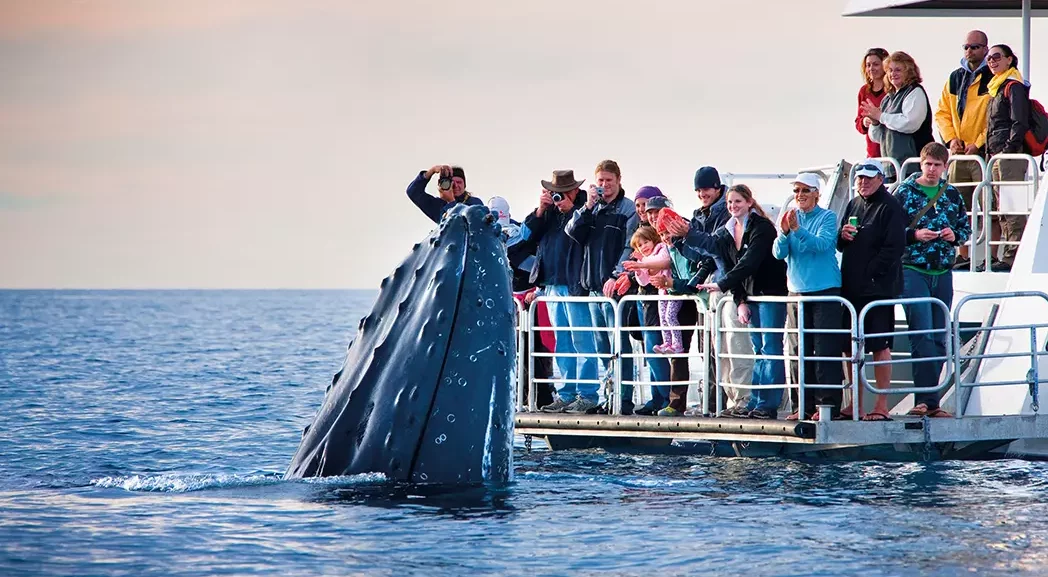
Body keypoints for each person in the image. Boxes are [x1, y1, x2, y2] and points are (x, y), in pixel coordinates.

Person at [685, 185, 788, 419]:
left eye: (738, 202)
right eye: (730, 202)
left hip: (769, 294)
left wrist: (721, 285)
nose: (733, 206)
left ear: (750, 202)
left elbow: (749, 263)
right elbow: (729, 263)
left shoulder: (762, 228)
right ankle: (756, 400)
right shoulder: (728, 231)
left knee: (771, 348)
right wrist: (740, 299)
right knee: (759, 350)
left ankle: (768, 403)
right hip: (751, 295)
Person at [662, 166, 750, 413]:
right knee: (717, 349)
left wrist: (687, 236)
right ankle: (727, 402)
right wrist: (679, 241)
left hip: (730, 286)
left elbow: (716, 249)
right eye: (698, 189)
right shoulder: (698, 215)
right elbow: (701, 254)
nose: (702, 193)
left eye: (706, 188)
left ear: (717, 187)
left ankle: (739, 401)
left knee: (735, 344)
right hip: (713, 288)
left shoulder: (723, 216)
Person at [895, 143, 972, 418]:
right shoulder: (904, 191)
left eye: (937, 165)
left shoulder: (951, 193)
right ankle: (925, 401)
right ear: (921, 163)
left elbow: (965, 227)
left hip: (943, 271)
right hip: (913, 269)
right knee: (922, 335)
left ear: (944, 167)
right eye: (928, 164)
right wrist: (914, 235)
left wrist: (955, 236)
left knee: (939, 338)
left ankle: (931, 401)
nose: (931, 170)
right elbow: (890, 229)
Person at [565, 160, 640, 414]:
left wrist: (615, 275)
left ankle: (624, 398)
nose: (605, 185)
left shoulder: (628, 209)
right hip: (593, 290)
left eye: (609, 180)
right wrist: (587, 207)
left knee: (620, 345)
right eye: (600, 181)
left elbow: (630, 246)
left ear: (619, 180)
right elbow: (572, 232)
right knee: (601, 347)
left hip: (615, 290)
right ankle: (609, 397)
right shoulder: (591, 208)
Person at [837, 162, 908, 421]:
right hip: (851, 288)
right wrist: (842, 236)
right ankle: (854, 403)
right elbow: (841, 244)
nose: (862, 183)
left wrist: (871, 272)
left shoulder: (890, 207)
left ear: (880, 179)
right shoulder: (853, 204)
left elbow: (895, 248)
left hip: (879, 290)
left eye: (868, 178)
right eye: (859, 179)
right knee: (849, 347)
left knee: (880, 344)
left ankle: (881, 404)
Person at [772, 174, 845, 421]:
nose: (800, 195)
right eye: (796, 190)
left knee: (825, 350)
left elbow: (823, 245)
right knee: (797, 351)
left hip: (825, 291)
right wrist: (783, 233)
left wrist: (797, 230)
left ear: (817, 193)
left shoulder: (827, 217)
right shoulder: (790, 217)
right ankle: (801, 406)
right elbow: (778, 253)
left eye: (805, 190)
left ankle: (827, 407)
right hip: (797, 292)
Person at [521, 170, 596, 414]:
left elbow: (584, 233)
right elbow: (525, 238)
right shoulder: (547, 215)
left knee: (582, 339)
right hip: (551, 285)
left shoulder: (585, 209)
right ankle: (565, 394)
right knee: (562, 341)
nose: (559, 197)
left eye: (563, 193)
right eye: (555, 193)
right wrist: (540, 210)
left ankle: (587, 394)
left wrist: (571, 210)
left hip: (575, 285)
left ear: (575, 191)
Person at [935, 31, 993, 267]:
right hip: (959, 155)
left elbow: (993, 116)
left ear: (985, 49)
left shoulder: (994, 76)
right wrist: (951, 140)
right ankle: (963, 255)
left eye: (975, 47)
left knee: (991, 206)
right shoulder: (955, 77)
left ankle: (994, 257)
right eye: (966, 47)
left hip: (983, 154)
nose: (970, 51)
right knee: (960, 206)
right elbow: (942, 112)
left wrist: (977, 143)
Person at [648, 198, 704, 417]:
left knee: (701, 350)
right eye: (661, 235)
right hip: (677, 295)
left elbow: (692, 270)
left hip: (692, 297)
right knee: (676, 350)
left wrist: (672, 285)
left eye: (667, 233)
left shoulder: (684, 238)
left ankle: (709, 401)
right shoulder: (666, 243)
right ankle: (676, 402)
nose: (665, 238)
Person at [985, 43, 1032, 271]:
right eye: (989, 58)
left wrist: (1009, 148)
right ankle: (1008, 253)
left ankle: (1014, 256)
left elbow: (1019, 121)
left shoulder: (1013, 86)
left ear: (1009, 60)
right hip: (997, 155)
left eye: (996, 57)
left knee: (1013, 206)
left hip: (1009, 156)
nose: (991, 61)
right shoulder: (996, 87)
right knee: (1003, 207)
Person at [863, 51, 934, 176]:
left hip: (913, 167)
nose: (893, 74)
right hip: (891, 168)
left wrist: (881, 116)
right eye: (890, 70)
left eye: (898, 70)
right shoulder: (888, 99)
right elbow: (878, 137)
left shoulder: (915, 92)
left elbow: (910, 123)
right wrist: (875, 122)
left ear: (908, 71)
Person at [623, 227, 680, 354]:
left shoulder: (661, 248)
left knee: (670, 316)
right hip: (661, 293)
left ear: (653, 240)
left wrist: (641, 263)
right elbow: (644, 281)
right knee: (663, 318)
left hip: (672, 291)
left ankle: (677, 344)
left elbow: (660, 261)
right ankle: (667, 342)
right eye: (640, 245)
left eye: (646, 242)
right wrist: (638, 271)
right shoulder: (644, 259)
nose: (644, 247)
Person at [406, 164, 484, 223]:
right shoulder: (438, 206)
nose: (455, 186)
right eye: (451, 183)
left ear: (465, 185)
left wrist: (451, 202)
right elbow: (413, 192)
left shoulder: (474, 203)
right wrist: (431, 171)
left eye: (459, 182)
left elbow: (462, 225)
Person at [856, 48, 890, 158]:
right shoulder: (864, 91)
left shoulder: (892, 90)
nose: (871, 68)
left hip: (891, 150)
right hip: (873, 153)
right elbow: (858, 121)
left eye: (876, 64)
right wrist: (864, 122)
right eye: (868, 65)